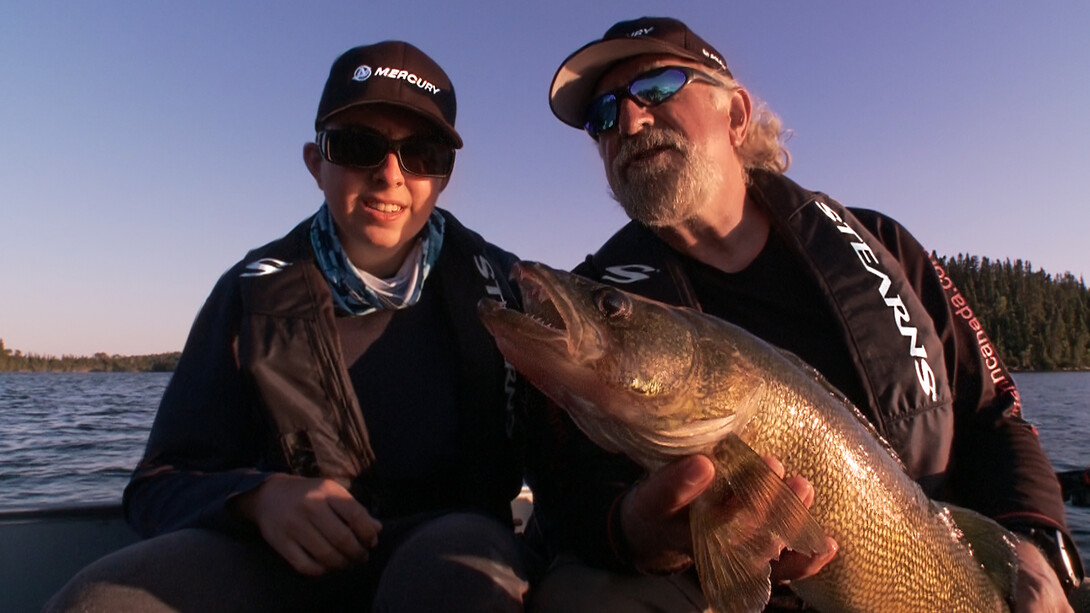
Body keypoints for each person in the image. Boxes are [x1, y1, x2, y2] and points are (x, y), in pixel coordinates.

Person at [527, 16, 1085, 612]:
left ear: (736, 114)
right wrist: (644, 530)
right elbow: (566, 492)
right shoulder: (599, 301)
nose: (630, 121)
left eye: (658, 87)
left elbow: (994, 411)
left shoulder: (883, 244)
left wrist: (1032, 543)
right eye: (602, 117)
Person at [47, 41, 532, 612]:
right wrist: (259, 499)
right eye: (359, 146)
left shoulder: (505, 287)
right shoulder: (249, 292)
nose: (389, 175)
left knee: (465, 564)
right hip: (280, 565)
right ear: (314, 162)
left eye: (423, 154)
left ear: (444, 178)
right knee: (99, 600)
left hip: (445, 554)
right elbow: (158, 483)